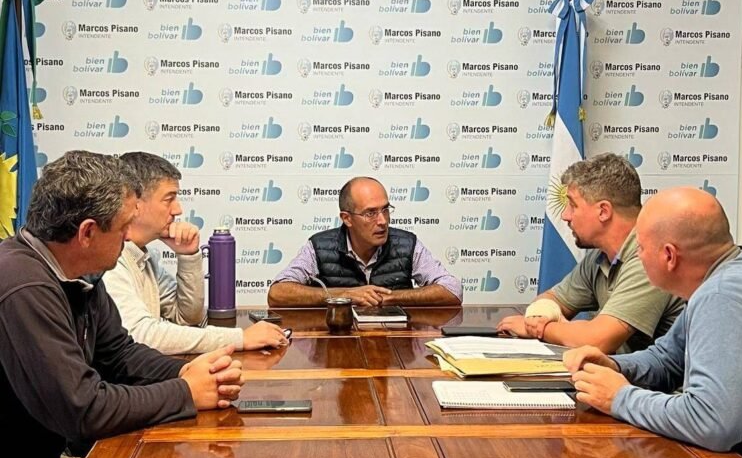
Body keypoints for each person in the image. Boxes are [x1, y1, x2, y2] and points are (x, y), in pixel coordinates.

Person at [0, 151, 243, 458]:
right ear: (87, 232)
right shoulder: (23, 286)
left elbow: (120, 355)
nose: (130, 237)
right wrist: (185, 392)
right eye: (123, 226)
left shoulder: (78, 275)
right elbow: (83, 410)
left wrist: (190, 371)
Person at [563, 187, 742, 458]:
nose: (638, 257)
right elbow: (667, 359)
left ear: (669, 256)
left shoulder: (724, 296)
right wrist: (615, 366)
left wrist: (619, 398)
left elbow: (712, 422)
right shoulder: (720, 281)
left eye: (641, 248)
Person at [103, 152, 286, 355]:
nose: (178, 210)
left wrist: (188, 255)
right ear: (134, 203)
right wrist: (239, 338)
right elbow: (140, 335)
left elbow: (187, 317)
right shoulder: (108, 262)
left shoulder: (144, 257)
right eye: (169, 199)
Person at [497, 154, 684, 353]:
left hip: (658, 375)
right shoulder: (599, 258)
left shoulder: (649, 258)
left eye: (573, 205)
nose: (565, 215)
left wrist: (539, 329)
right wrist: (541, 316)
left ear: (603, 211)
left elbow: (598, 340)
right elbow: (552, 298)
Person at [267, 177, 462, 307]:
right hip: (337, 344)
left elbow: (452, 290)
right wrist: (345, 295)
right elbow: (278, 293)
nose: (382, 221)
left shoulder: (407, 244)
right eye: (371, 213)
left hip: (395, 344)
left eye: (385, 210)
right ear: (347, 218)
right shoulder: (319, 246)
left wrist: (389, 297)